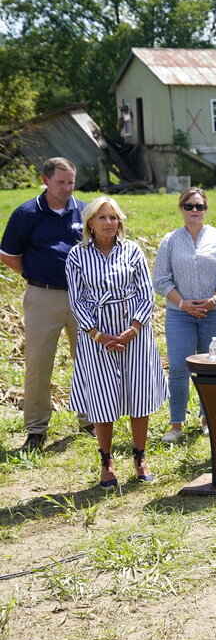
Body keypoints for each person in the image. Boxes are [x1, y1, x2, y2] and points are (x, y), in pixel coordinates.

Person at [66, 196, 167, 487]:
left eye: (113, 218)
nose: (109, 223)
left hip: (134, 332)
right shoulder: (77, 255)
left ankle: (139, 456)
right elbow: (76, 298)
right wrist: (97, 333)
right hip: (96, 336)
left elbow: (146, 293)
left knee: (139, 394)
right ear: (90, 223)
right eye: (102, 218)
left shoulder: (133, 251)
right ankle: (107, 461)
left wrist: (133, 328)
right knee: (102, 397)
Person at [0, 157, 93, 452]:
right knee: (39, 364)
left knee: (89, 360)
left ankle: (90, 419)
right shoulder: (27, 213)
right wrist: (32, 274)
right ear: (45, 180)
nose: (67, 188)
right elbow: (8, 254)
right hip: (44, 296)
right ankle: (37, 429)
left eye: (71, 182)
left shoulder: (85, 211)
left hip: (84, 297)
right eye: (61, 182)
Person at [153, 187, 216, 443]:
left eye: (199, 206)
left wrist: (214, 300)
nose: (194, 211)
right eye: (189, 206)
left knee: (210, 368)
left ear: (206, 209)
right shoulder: (170, 240)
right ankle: (176, 424)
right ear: (181, 208)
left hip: (215, 313)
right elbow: (160, 280)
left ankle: (208, 419)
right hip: (180, 315)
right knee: (180, 367)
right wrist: (183, 304)